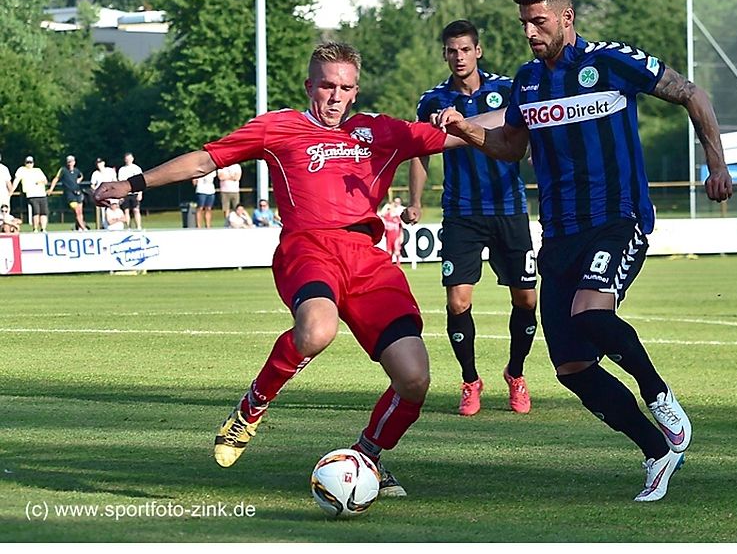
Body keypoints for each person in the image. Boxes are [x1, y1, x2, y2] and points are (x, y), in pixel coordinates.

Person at [94, 41, 467, 498]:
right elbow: (204, 160)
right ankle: (252, 406)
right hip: (308, 247)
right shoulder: (279, 127)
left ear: (356, 91)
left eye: (345, 88)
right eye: (327, 85)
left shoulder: (382, 131)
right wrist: (133, 183)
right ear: (310, 85)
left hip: (368, 260)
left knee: (414, 378)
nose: (335, 96)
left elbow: (464, 134)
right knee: (315, 331)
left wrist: (526, 112)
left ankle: (365, 457)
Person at [434, 0, 733, 502]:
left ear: (566, 17)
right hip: (560, 235)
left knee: (592, 313)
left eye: (539, 20)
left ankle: (659, 395)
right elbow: (512, 147)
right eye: (524, 21)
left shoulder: (612, 62)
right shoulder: (527, 82)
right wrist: (466, 132)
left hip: (619, 219)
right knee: (571, 366)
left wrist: (716, 162)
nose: (530, 31)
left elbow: (691, 93)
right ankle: (657, 452)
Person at [410, 19, 538, 416]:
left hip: (509, 208)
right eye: (452, 50)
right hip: (462, 213)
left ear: (478, 51)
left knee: (526, 298)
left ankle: (515, 374)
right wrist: (415, 200)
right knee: (458, 301)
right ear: (445, 54)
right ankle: (470, 380)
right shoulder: (432, 101)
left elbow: (530, 139)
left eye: (466, 49)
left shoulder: (506, 89)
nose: (459, 56)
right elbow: (420, 152)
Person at [48, 155, 88, 231]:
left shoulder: (76, 170)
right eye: (69, 162)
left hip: (78, 193)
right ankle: (84, 228)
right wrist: (51, 189)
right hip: (69, 194)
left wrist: (79, 180)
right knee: (77, 211)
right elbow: (56, 179)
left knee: (80, 212)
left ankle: (79, 227)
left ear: (74, 162)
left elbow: (81, 175)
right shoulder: (63, 170)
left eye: (71, 161)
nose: (70, 163)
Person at [11, 156, 49, 232]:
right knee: (36, 211)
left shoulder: (38, 170)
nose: (29, 164)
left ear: (33, 163)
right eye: (27, 162)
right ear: (25, 163)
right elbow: (16, 180)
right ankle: (35, 228)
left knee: (44, 212)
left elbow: (45, 181)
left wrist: (39, 182)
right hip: (31, 194)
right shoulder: (21, 170)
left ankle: (43, 228)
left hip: (41, 193)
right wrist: (11, 190)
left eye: (30, 162)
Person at [117, 153, 144, 230]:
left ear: (132, 159)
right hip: (126, 193)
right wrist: (121, 195)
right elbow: (121, 182)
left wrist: (140, 193)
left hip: (135, 192)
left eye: (130, 158)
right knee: (126, 210)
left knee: (136, 209)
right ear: (125, 160)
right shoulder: (122, 170)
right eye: (127, 158)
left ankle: (138, 226)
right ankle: (128, 227)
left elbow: (141, 182)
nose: (128, 160)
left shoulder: (137, 169)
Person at [90, 158, 118, 229]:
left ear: (103, 163)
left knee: (114, 209)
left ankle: (117, 225)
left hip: (111, 193)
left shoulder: (110, 171)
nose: (99, 165)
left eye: (100, 163)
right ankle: (104, 226)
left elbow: (115, 181)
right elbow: (92, 185)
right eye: (98, 163)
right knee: (102, 212)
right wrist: (95, 192)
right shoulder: (95, 173)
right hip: (101, 195)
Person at [378, 197, 404, 264]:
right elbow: (381, 214)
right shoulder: (387, 215)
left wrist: (401, 236)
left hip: (396, 236)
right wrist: (387, 207)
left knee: (397, 251)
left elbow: (401, 227)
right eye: (395, 202)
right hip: (389, 236)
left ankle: (398, 265)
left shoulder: (397, 216)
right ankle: (390, 265)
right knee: (389, 252)